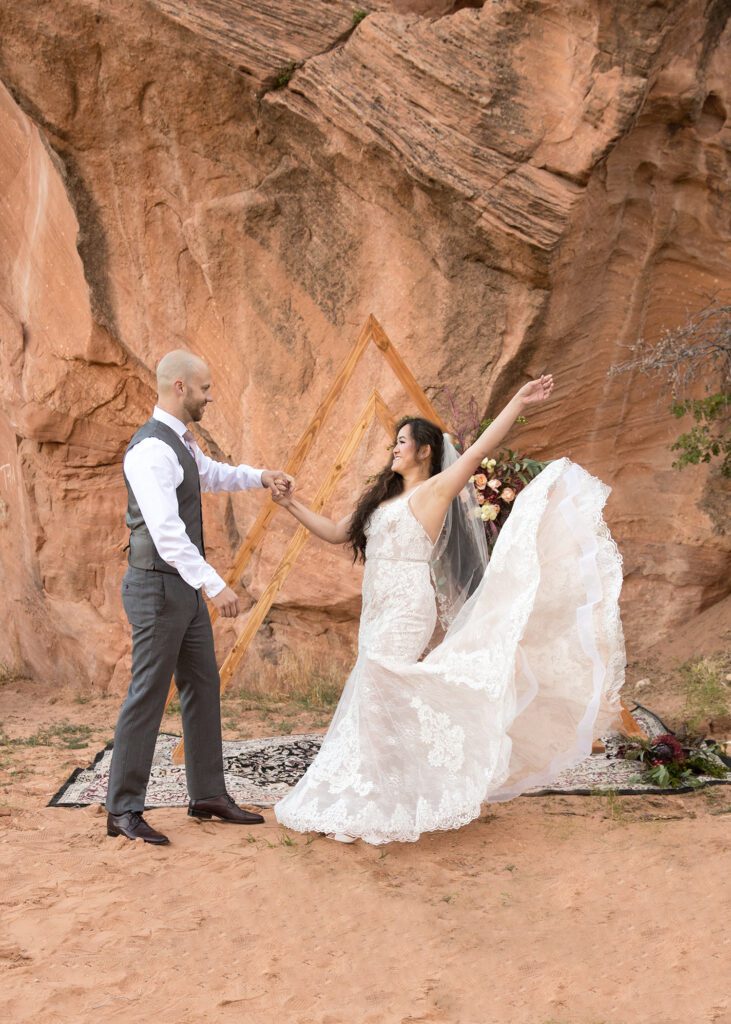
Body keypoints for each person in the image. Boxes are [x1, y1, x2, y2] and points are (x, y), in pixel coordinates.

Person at [273, 375, 625, 845]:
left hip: (407, 605)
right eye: (393, 443)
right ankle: (379, 787)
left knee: (380, 679)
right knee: (372, 694)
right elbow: (338, 533)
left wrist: (518, 401)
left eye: (402, 442)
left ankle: (411, 782)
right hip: (376, 604)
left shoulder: (435, 491)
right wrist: (290, 504)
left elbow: (477, 451)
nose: (393, 449)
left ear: (424, 451)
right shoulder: (384, 499)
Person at [106, 350, 294, 845]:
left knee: (202, 686)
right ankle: (123, 810)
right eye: (206, 388)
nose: (212, 396)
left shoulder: (182, 444)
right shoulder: (150, 451)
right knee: (148, 695)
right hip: (156, 588)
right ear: (180, 388)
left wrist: (259, 476)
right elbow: (167, 532)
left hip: (180, 589)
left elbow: (209, 474)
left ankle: (207, 794)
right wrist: (215, 584)